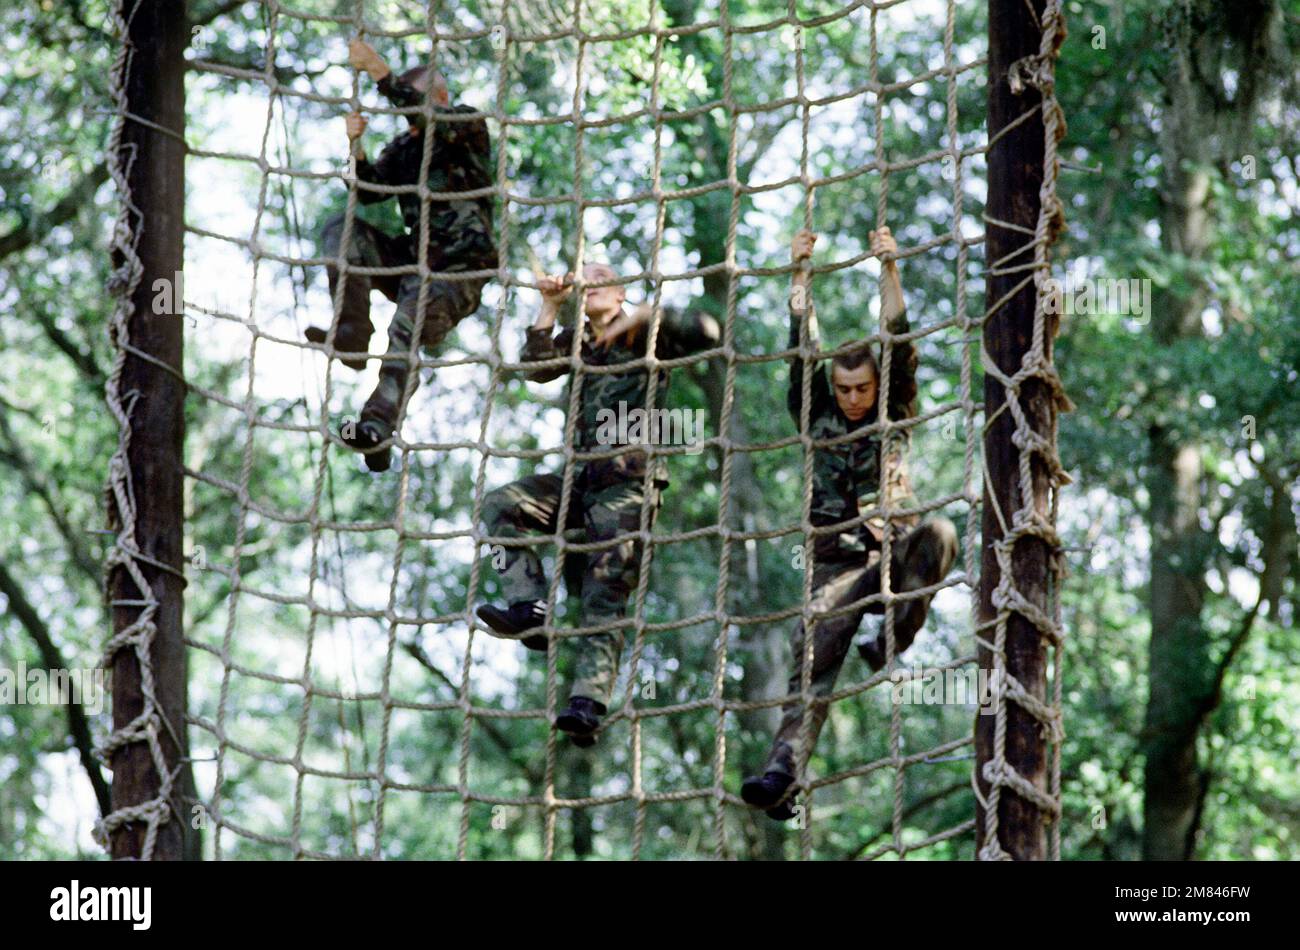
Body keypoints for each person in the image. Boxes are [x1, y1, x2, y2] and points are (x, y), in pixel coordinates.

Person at [741, 226, 958, 819]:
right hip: (836, 563)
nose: (855, 398)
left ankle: (891, 638)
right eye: (845, 389)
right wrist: (800, 276)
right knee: (812, 649)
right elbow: (800, 347)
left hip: (890, 551)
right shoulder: (816, 413)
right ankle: (783, 773)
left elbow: (900, 338)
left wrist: (889, 266)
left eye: (863, 387)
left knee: (940, 535)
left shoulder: (894, 406)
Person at [477, 263, 720, 747]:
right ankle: (529, 607)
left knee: (603, 591)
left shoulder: (648, 334)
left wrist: (647, 315)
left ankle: (588, 702)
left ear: (621, 290)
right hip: (578, 483)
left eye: (601, 278)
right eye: (582, 282)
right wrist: (548, 306)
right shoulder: (578, 340)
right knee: (500, 505)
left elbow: (709, 332)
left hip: (626, 486)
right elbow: (536, 369)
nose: (590, 287)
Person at [306, 38, 496, 471]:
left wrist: (378, 70)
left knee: (406, 327)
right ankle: (352, 333)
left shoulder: (466, 125)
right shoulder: (407, 146)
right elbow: (369, 189)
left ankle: (377, 427)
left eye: (414, 104)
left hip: (459, 270)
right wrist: (356, 146)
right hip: (415, 262)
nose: (406, 116)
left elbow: (427, 117)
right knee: (342, 229)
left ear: (439, 98)